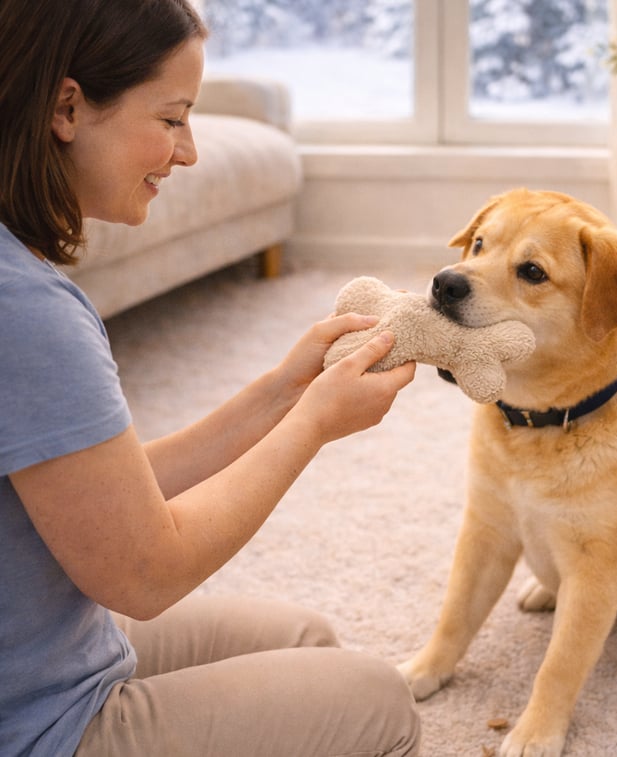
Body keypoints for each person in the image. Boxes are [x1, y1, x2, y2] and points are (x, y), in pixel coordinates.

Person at [0, 1, 420, 755]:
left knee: (310, 640)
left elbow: (102, 491)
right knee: (379, 703)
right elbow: (146, 571)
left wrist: (280, 392)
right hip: (40, 723)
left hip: (46, 650)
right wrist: (314, 422)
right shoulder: (29, 315)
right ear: (67, 107)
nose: (188, 151)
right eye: (171, 118)